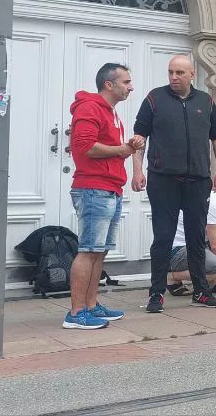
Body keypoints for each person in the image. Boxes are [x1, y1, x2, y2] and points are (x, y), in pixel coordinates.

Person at [132, 55, 216, 313]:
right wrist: (137, 171)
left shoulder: (205, 101)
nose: (174, 77)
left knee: (197, 237)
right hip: (163, 179)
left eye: (179, 73)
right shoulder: (155, 99)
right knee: (163, 237)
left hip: (198, 180)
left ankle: (201, 292)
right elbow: (139, 137)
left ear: (192, 74)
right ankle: (156, 294)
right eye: (170, 72)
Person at [63, 63, 136, 329]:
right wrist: (122, 149)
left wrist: (126, 148)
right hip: (94, 188)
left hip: (109, 187)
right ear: (109, 84)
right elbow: (84, 147)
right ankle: (76, 312)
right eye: (126, 82)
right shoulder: (90, 107)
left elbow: (112, 148)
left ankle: (91, 305)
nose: (130, 87)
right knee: (88, 250)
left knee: (99, 252)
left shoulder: (112, 113)